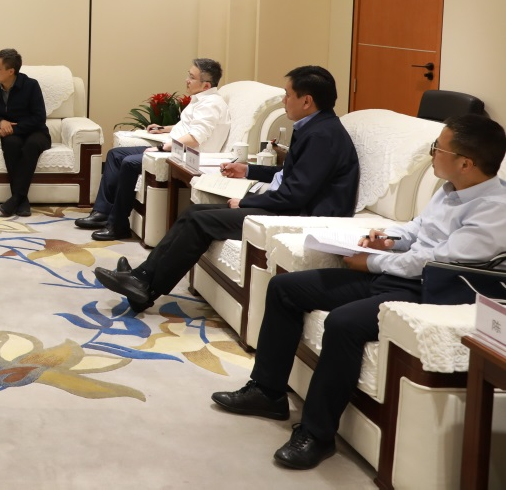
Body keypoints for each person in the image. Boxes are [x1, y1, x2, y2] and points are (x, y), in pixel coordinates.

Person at [211, 114, 506, 470]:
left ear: (465, 162)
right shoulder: (450, 189)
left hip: (427, 290)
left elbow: (433, 262)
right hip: (396, 272)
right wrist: (387, 239)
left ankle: (317, 435)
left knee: (343, 323)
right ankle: (267, 391)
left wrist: (372, 262)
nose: (432, 154)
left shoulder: (495, 211)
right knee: (286, 288)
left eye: (437, 148)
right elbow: (416, 231)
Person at [96, 65, 359, 314]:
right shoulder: (314, 127)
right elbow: (291, 175)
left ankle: (144, 285)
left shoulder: (322, 136)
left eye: (288, 95)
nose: (283, 101)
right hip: (291, 205)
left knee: (200, 221)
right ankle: (142, 279)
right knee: (193, 213)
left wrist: (245, 203)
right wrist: (248, 170)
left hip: (302, 216)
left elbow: (295, 194)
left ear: (307, 101)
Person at [76, 58, 230, 241]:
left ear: (206, 85)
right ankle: (102, 212)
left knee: (129, 163)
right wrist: (163, 129)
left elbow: (195, 138)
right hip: (175, 148)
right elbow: (188, 127)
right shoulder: (201, 100)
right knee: (115, 154)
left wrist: (162, 148)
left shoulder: (211, 104)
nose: (187, 80)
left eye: (191, 77)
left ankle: (118, 225)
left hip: (185, 156)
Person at [0, 48, 50, 218]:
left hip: (36, 132)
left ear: (11, 71)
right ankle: (22, 200)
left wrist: (12, 129)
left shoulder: (31, 85)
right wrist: (0, 122)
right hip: (11, 135)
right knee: (11, 144)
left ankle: (17, 198)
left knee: (31, 145)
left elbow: (39, 118)